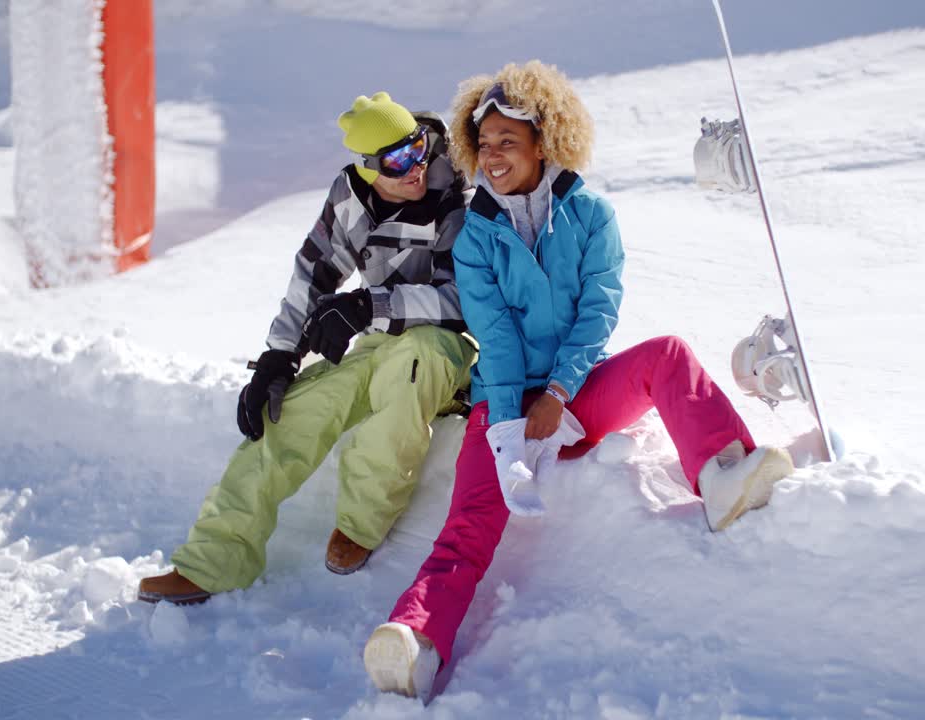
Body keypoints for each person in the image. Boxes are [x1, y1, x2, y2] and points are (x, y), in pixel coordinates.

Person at [361, 62, 795, 699]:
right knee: (471, 521)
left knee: (667, 355)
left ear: (545, 140)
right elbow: (498, 337)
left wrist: (561, 392)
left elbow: (599, 309)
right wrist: (510, 427)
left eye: (508, 141)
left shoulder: (590, 214)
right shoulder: (476, 234)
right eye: (484, 145)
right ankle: (415, 639)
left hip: (577, 394)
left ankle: (722, 472)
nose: (493, 156)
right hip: (503, 401)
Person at [138, 92, 477, 605]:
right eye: (397, 161)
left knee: (408, 370)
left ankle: (363, 522)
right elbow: (313, 275)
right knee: (290, 414)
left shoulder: (457, 195)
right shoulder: (351, 198)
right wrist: (279, 356)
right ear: (366, 169)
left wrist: (369, 304)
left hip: (444, 348)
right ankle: (213, 561)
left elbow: (461, 300)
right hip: (380, 340)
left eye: (418, 149)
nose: (415, 167)